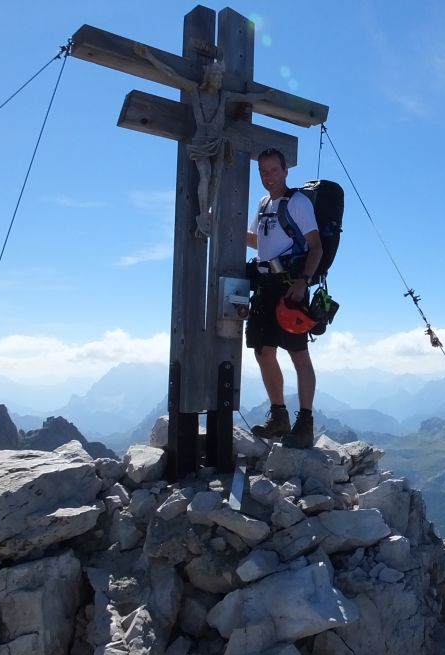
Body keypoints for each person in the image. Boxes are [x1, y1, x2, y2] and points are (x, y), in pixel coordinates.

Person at [133, 43, 265, 238]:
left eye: (220, 77)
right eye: (216, 76)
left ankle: (206, 216)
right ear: (208, 77)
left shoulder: (224, 96)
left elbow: (245, 97)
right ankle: (203, 215)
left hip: (218, 142)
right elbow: (171, 74)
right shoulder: (195, 90)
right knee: (206, 174)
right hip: (201, 141)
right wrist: (149, 57)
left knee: (216, 178)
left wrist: (264, 96)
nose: (219, 80)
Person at [245, 148, 322, 447]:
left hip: (290, 286)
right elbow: (258, 242)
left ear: (285, 170)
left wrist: (304, 282)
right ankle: (279, 416)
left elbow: (316, 247)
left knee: (298, 354)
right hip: (265, 285)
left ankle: (305, 424)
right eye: (263, 171)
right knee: (263, 351)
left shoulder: (298, 202)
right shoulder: (264, 203)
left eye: (274, 170)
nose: (268, 176)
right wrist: (223, 225)